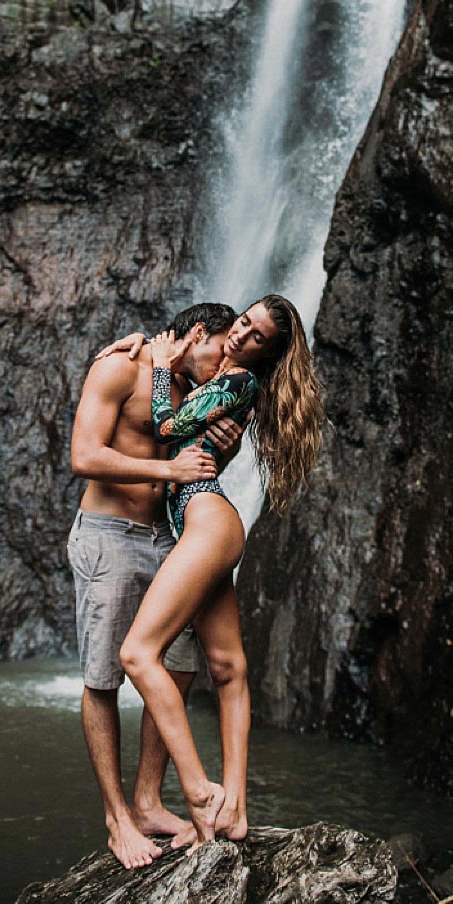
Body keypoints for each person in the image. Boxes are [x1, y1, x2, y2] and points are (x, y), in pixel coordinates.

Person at [112, 295, 324, 848]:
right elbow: (184, 347)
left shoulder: (240, 385)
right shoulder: (222, 377)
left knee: (138, 653)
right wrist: (145, 345)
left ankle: (199, 792)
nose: (242, 335)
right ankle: (236, 812)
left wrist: (158, 370)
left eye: (256, 336)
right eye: (245, 322)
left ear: (268, 353)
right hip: (210, 523)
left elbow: (166, 425)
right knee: (228, 668)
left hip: (206, 517)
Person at [66, 302, 247, 868]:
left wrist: (229, 444)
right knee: (103, 677)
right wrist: (169, 469)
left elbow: (201, 464)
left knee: (182, 665)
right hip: (109, 534)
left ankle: (148, 800)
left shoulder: (193, 392)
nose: (225, 365)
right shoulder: (121, 367)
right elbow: (84, 455)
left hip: (167, 536)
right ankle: (117, 818)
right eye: (222, 348)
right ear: (198, 334)